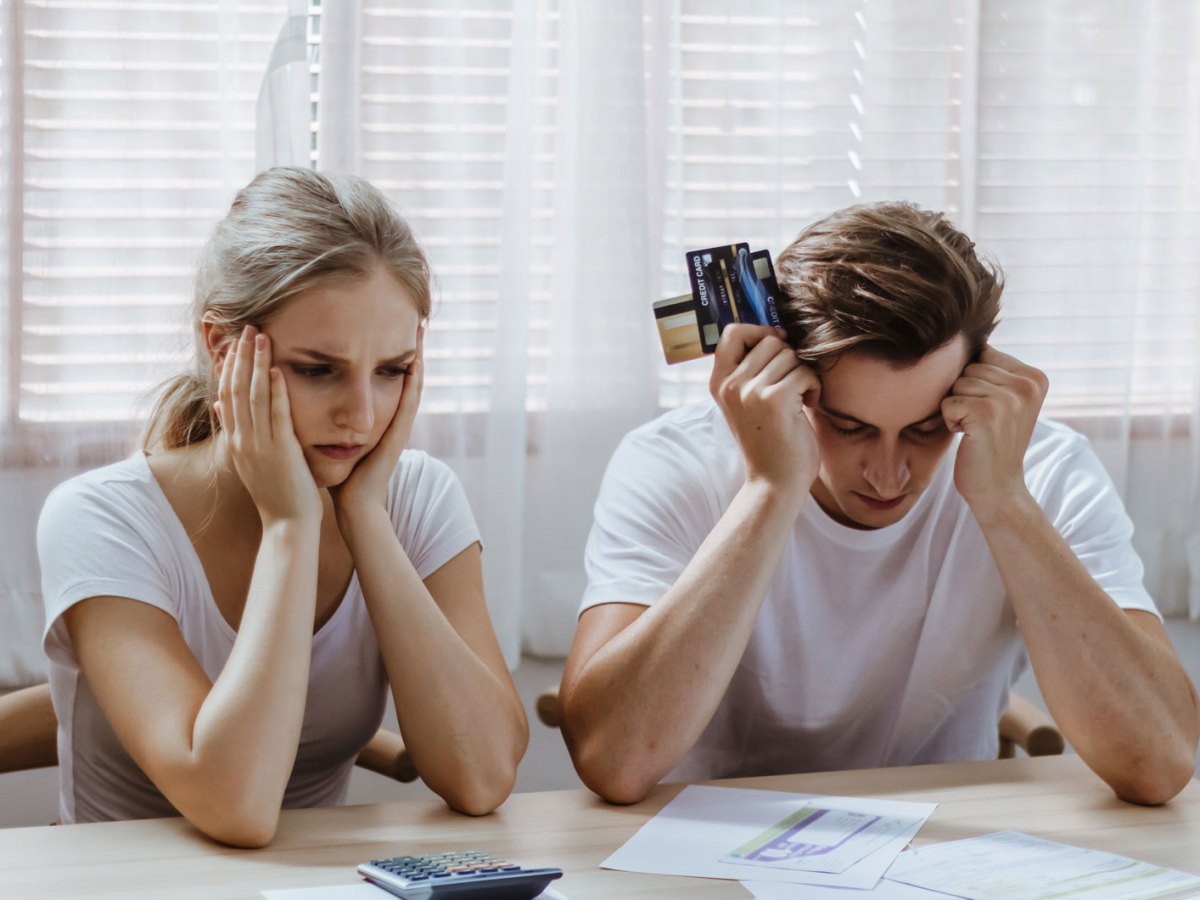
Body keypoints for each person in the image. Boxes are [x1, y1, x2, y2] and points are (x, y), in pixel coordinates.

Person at [559, 201, 1200, 806]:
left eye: (925, 429)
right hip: (708, 846)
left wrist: (1005, 500)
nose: (889, 475)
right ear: (785, 381)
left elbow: (1160, 762)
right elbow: (614, 760)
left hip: (939, 847)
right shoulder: (673, 463)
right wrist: (770, 490)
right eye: (851, 426)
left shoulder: (1045, 468)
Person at [37, 167, 528, 846]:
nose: (360, 416)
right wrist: (291, 525)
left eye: (391, 372)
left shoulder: (416, 496)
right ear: (222, 347)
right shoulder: (102, 518)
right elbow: (233, 805)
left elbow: (482, 777)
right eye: (317, 369)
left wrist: (366, 519)